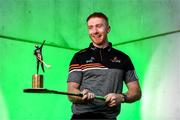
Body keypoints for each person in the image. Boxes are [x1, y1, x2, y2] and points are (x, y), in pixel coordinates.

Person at [67, 12, 141, 120]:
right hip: (81, 117)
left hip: (109, 118)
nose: (95, 31)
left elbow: (136, 92)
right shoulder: (79, 57)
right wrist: (80, 95)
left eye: (99, 26)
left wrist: (122, 97)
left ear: (108, 29)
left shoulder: (123, 58)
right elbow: (70, 92)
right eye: (90, 27)